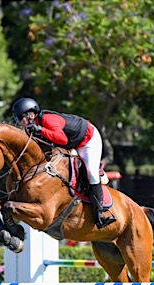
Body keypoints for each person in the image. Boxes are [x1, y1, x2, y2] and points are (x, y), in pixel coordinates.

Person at [8, 97, 114, 227]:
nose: (18, 122)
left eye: (19, 118)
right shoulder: (33, 126)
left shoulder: (47, 119)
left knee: (91, 173)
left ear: (30, 115)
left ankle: (100, 213)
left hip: (88, 140)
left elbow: (62, 139)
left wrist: (40, 130)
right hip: (72, 142)